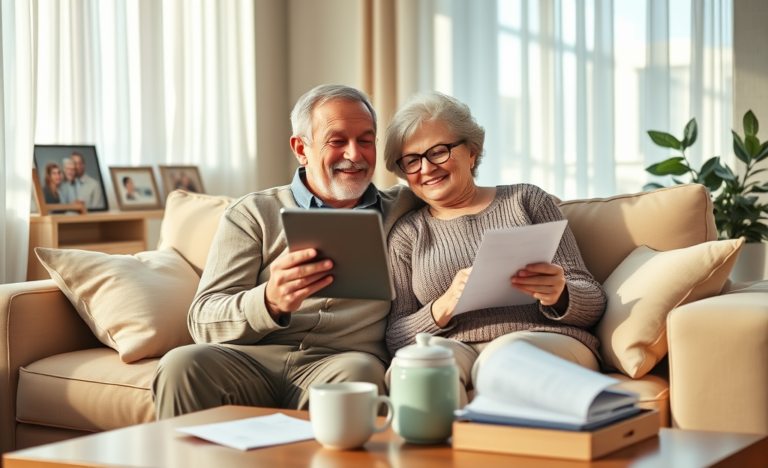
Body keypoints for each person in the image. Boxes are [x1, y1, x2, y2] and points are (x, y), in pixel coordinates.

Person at [152, 84, 422, 419]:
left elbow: (462, 198)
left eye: (365, 140)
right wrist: (269, 301)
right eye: (337, 141)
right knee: (182, 364)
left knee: (358, 377)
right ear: (301, 148)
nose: (355, 155)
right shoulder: (252, 213)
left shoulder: (405, 207)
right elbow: (203, 318)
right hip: (253, 359)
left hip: (342, 361)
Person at [382, 91, 606, 405]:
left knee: (502, 359)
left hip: (541, 341)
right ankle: (437, 454)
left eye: (439, 152)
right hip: (455, 347)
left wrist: (562, 293)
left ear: (471, 152)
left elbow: (594, 302)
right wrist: (443, 306)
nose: (427, 168)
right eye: (412, 160)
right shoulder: (408, 233)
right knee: (415, 367)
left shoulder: (526, 201)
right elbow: (395, 336)